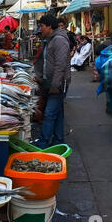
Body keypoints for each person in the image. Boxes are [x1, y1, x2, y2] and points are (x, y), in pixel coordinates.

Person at [33, 15, 71, 149]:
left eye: (41, 26)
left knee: (49, 113)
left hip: (58, 84)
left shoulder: (59, 40)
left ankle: (43, 142)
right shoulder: (49, 39)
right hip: (50, 82)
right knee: (57, 113)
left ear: (49, 26)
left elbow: (60, 65)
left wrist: (55, 85)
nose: (40, 29)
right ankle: (58, 140)